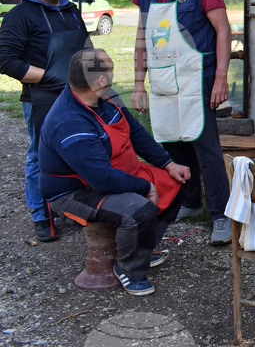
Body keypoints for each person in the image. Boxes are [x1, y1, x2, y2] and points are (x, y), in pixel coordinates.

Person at [39, 49, 190, 296]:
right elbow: (101, 179)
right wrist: (146, 187)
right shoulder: (69, 122)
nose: (113, 72)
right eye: (110, 68)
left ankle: (144, 246)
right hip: (75, 191)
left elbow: (136, 133)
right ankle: (129, 270)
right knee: (138, 209)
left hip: (113, 175)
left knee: (178, 181)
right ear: (100, 80)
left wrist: (168, 164)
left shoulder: (106, 97)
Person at [131, 0, 233, 245]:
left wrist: (221, 78)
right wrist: (138, 83)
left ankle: (221, 215)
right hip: (163, 79)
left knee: (206, 148)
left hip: (197, 78)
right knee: (174, 144)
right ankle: (189, 202)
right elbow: (141, 35)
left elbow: (223, 30)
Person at [0, 0, 91, 242]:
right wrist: (54, 78)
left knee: (78, 151)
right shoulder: (21, 15)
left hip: (79, 97)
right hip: (41, 98)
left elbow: (86, 48)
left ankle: (72, 207)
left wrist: (96, 78)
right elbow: (6, 61)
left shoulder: (71, 10)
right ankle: (42, 215)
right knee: (41, 157)